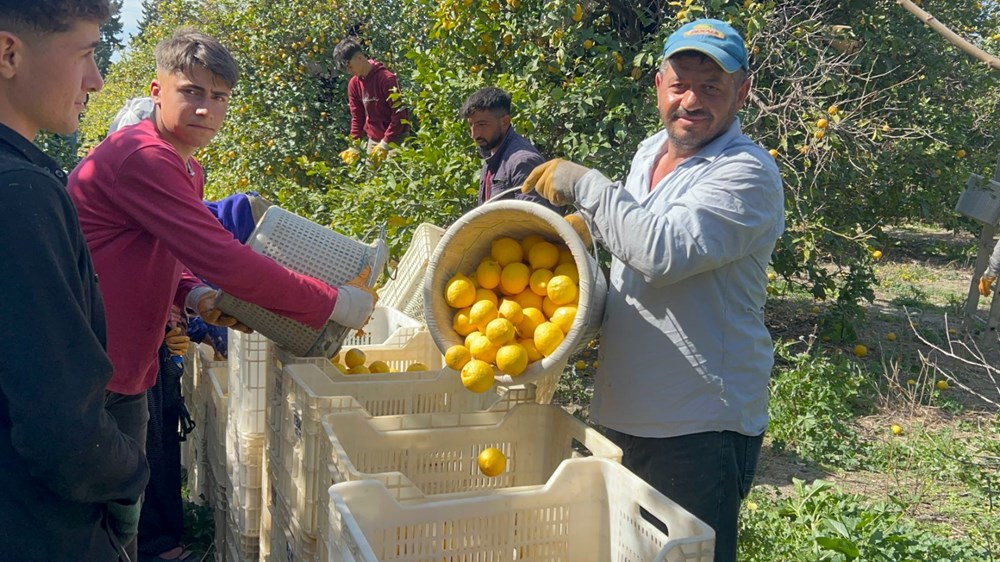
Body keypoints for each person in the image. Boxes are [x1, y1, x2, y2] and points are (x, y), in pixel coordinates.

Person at [67, 29, 376, 561]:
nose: (206, 108)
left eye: (220, 97)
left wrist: (195, 295)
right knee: (89, 527)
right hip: (90, 374)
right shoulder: (142, 156)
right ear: (157, 90)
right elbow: (227, 259)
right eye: (191, 91)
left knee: (123, 518)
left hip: (128, 368)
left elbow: (172, 250)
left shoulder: (186, 164)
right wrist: (334, 302)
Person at [522, 19, 784, 562]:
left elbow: (662, 254)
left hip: (696, 422)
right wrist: (583, 230)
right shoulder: (649, 151)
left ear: (743, 92)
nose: (691, 100)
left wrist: (586, 184)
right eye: (680, 83)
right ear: (658, 86)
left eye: (712, 87)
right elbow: (634, 228)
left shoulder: (747, 174)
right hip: (626, 405)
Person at [0, 2, 150, 561]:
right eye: (86, 53)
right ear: (9, 53)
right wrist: (131, 471)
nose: (96, 79)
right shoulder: (21, 195)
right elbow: (64, 431)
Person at [458, 86, 561, 212]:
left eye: (481, 124)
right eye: (471, 125)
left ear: (505, 122)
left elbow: (535, 223)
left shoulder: (522, 161)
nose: (474, 134)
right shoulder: (491, 152)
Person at [332, 37, 409, 161]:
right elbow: (357, 117)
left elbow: (400, 115)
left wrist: (385, 144)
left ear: (360, 58)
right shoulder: (354, 84)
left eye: (350, 66)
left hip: (396, 138)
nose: (349, 71)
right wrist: (354, 146)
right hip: (374, 140)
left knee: (395, 176)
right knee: (371, 177)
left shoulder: (386, 79)